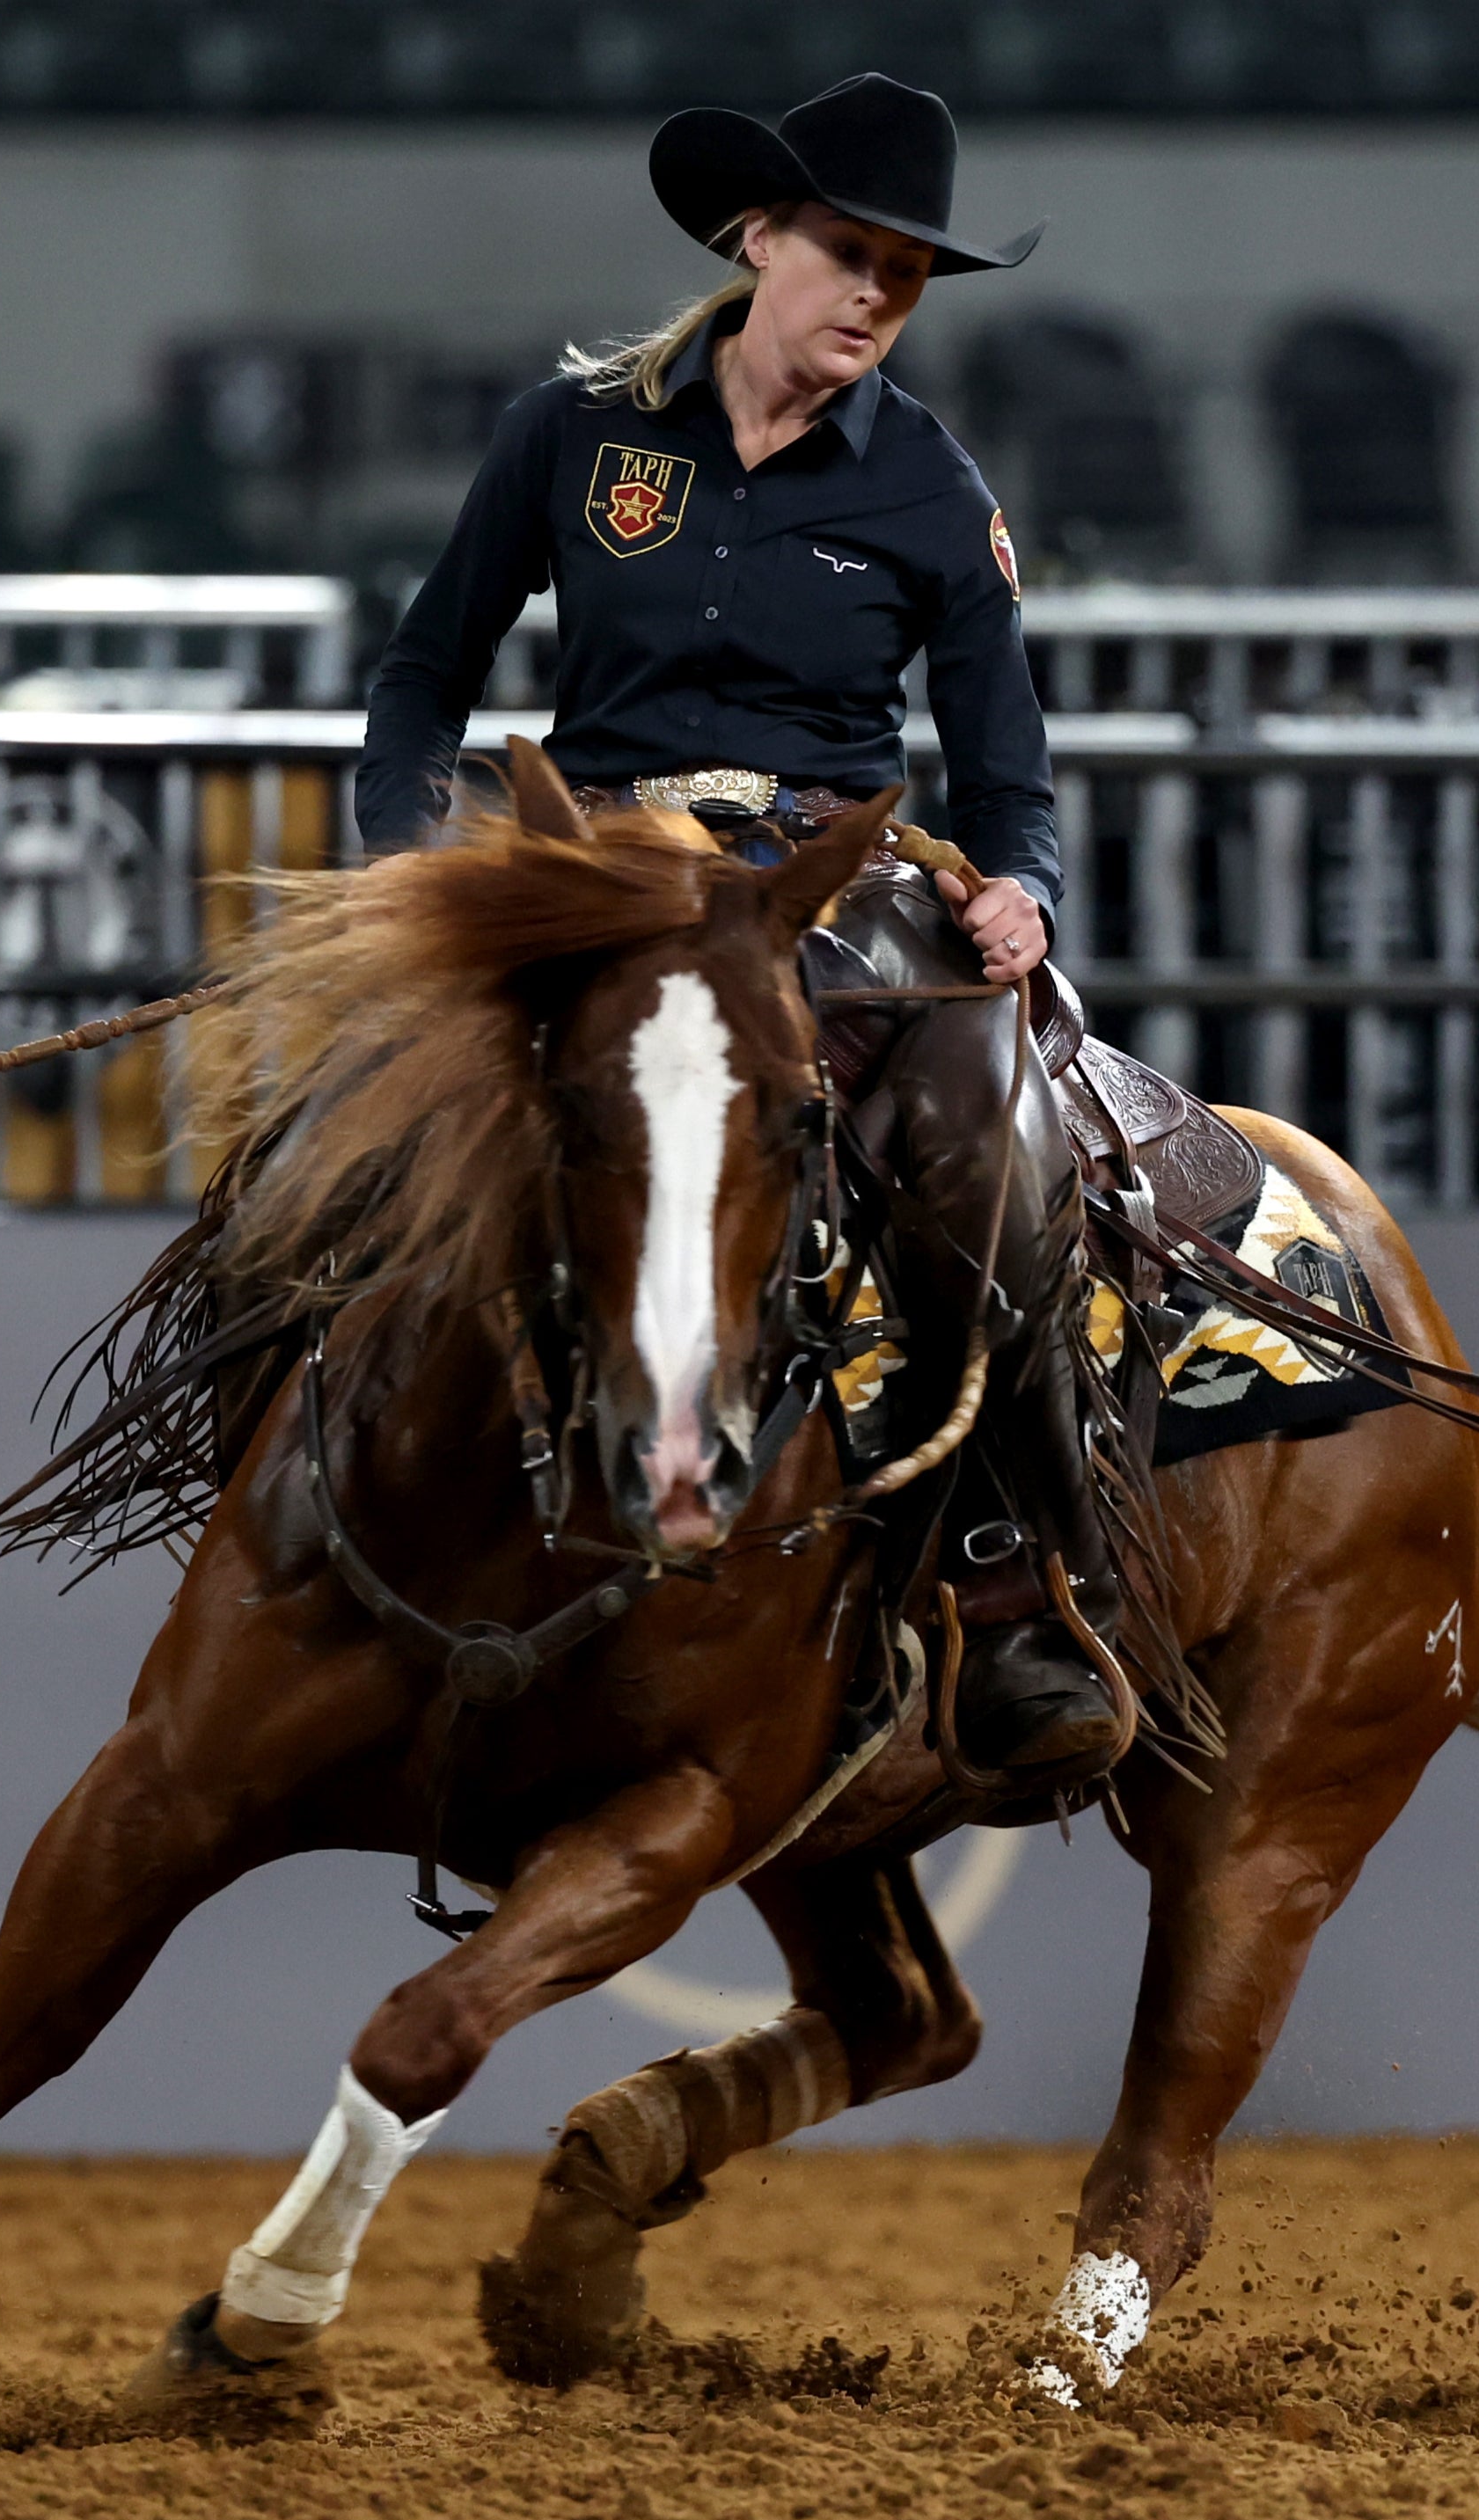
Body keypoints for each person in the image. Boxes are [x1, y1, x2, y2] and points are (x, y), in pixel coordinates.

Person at [355, 71, 1124, 1793]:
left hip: (824, 889)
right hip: (602, 870)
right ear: (753, 239)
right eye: (846, 254)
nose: (872, 297)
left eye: (904, 277)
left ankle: (1011, 1584)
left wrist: (1022, 891)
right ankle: (286, 1448)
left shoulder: (937, 491)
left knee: (990, 1156)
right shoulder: (570, 434)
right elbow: (428, 672)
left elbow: (1012, 778)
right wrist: (408, 857)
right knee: (360, 1125)